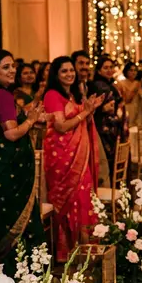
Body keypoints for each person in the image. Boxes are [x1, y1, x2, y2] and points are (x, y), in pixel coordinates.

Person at [0, 49, 44, 267]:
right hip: (6, 171)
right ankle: (21, 274)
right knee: (13, 218)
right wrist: (31, 120)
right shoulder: (2, 95)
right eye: (6, 67)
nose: (12, 70)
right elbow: (11, 134)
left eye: (13, 65)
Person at [43, 56, 103, 262]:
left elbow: (79, 122)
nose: (70, 74)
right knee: (72, 200)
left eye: (71, 70)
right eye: (64, 71)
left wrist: (89, 110)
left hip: (79, 155)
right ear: (56, 74)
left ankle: (86, 250)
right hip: (61, 159)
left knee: (84, 197)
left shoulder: (73, 94)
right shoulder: (52, 95)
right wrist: (85, 111)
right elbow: (60, 126)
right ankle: (70, 252)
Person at [90, 56, 127, 186]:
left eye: (111, 67)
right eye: (105, 67)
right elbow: (105, 107)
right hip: (105, 129)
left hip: (113, 128)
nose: (109, 70)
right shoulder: (99, 85)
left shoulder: (110, 84)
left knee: (114, 164)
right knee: (109, 163)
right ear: (99, 70)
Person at [118, 62, 142, 127]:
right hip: (128, 110)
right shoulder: (121, 83)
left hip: (138, 111)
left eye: (135, 70)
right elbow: (127, 99)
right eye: (131, 70)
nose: (134, 72)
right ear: (126, 71)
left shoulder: (138, 83)